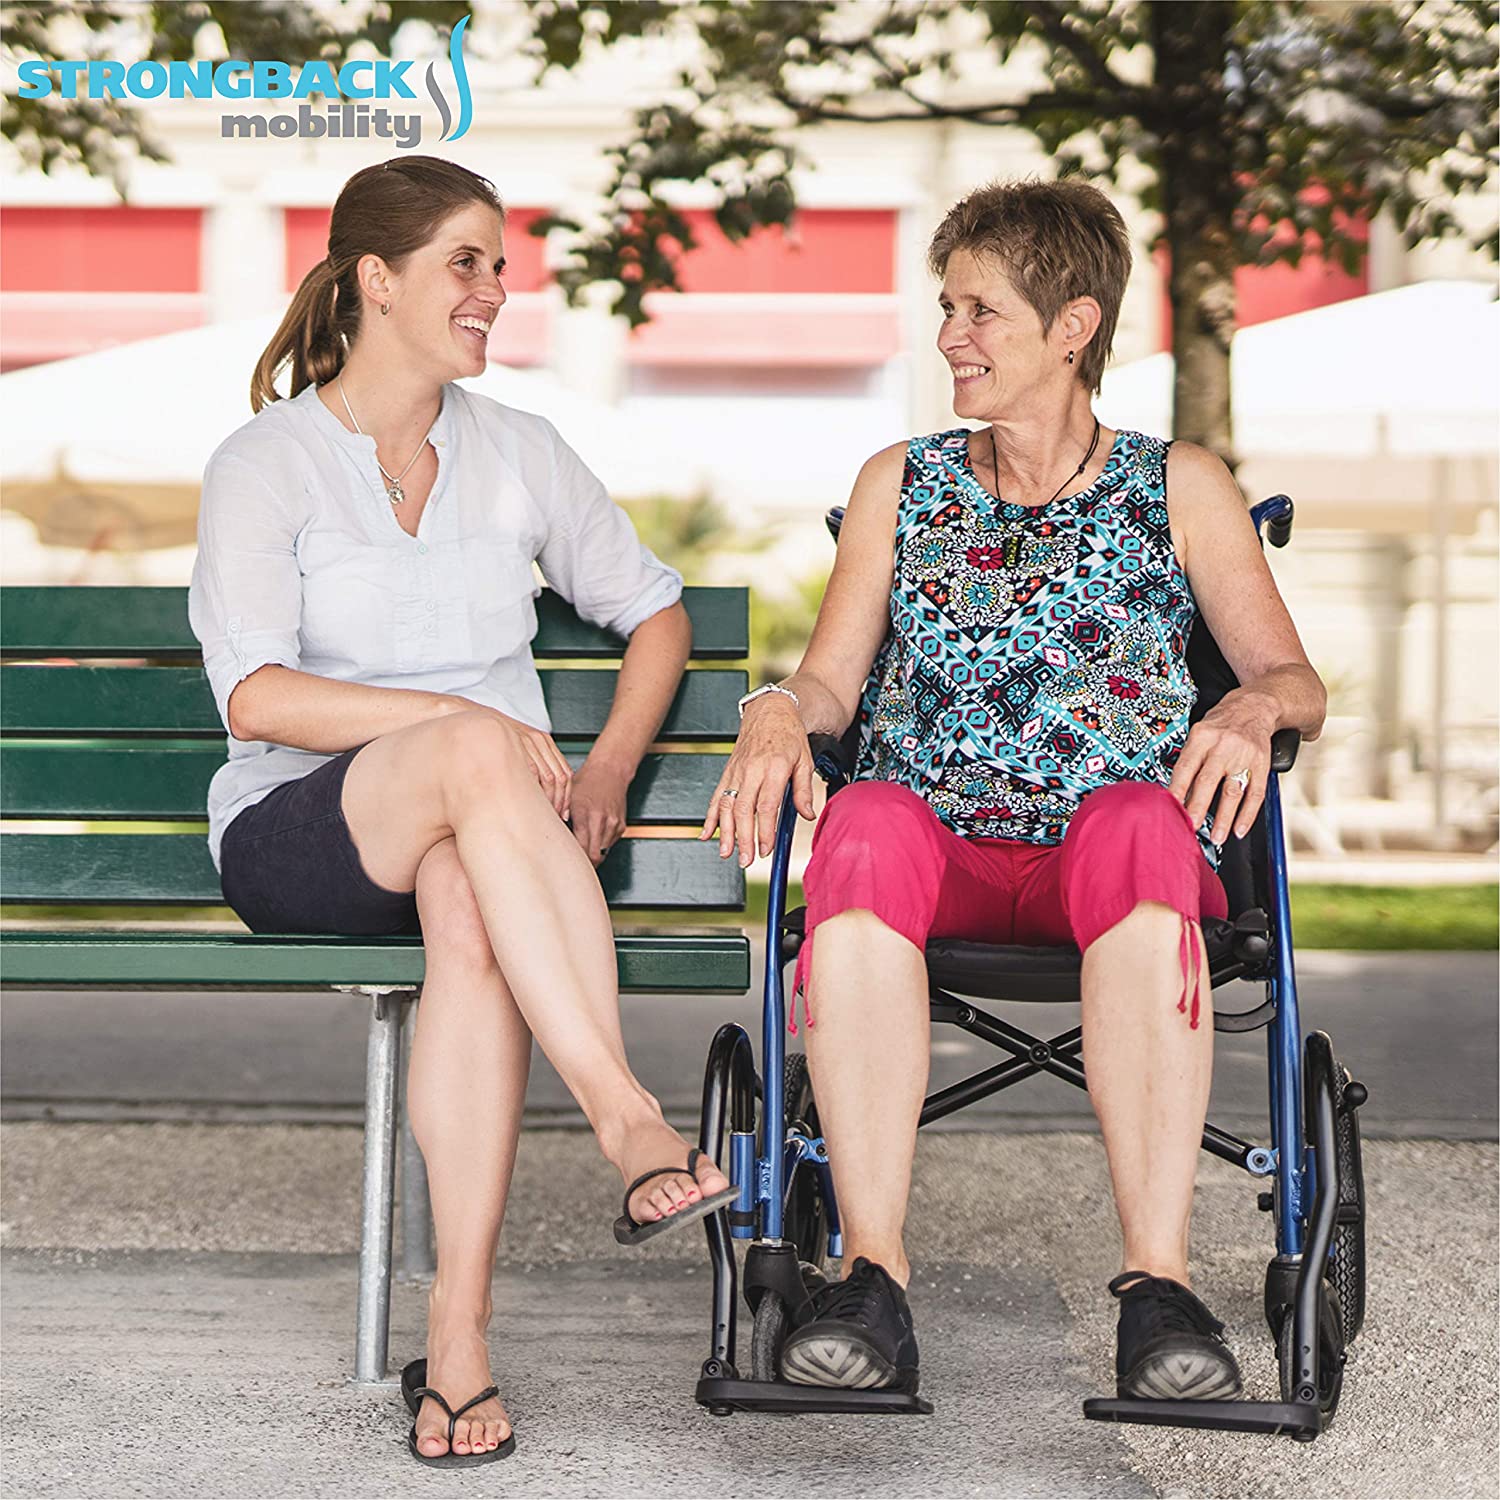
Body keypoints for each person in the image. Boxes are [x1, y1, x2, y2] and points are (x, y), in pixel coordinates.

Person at [703, 177, 1327, 1403]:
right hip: (931, 853)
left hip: (1109, 853)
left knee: (1148, 821)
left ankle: (1158, 1288)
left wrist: (1252, 707)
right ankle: (870, 1278)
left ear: (1073, 326)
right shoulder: (901, 481)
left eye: (981, 312)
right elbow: (831, 682)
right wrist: (777, 709)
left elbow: (1294, 678)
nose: (951, 338)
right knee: (868, 820)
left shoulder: (1178, 485)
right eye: (948, 308)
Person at [188, 156, 733, 1468]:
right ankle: (620, 1110)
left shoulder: (519, 452)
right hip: (304, 828)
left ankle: (462, 1341)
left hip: (485, 844)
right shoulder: (267, 464)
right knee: (481, 754)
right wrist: (465, 729)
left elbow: (655, 613)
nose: (501, 287)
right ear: (377, 282)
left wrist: (600, 775)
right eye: (468, 263)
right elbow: (256, 697)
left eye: (502, 261)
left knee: (470, 922)